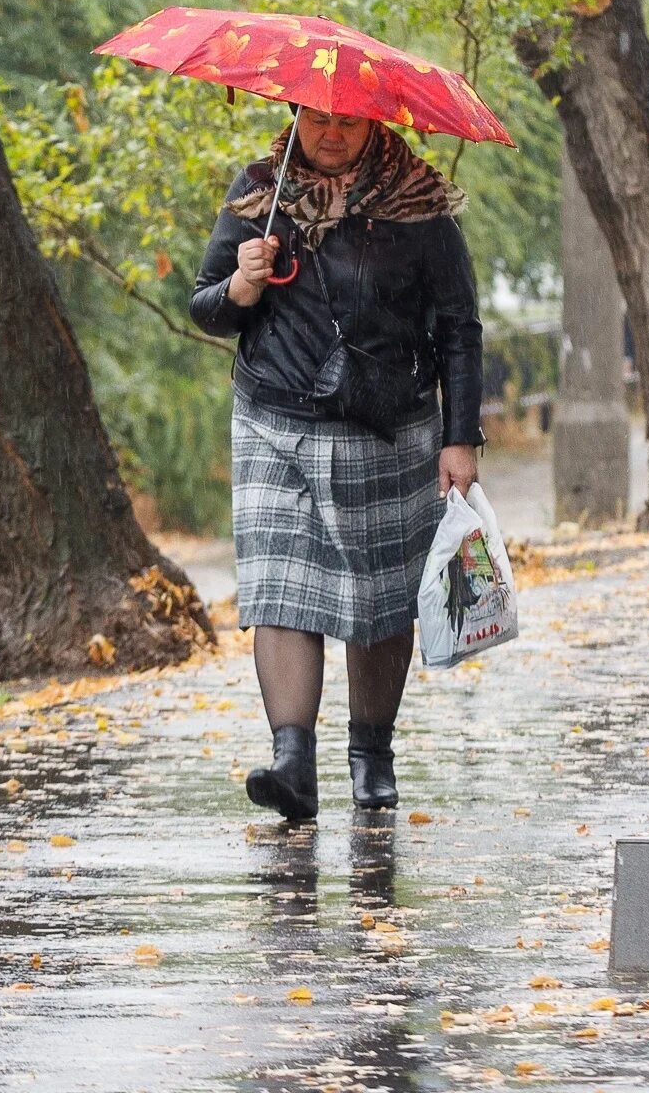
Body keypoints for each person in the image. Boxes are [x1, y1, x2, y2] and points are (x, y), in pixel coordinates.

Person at [189, 105, 484, 818]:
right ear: (295, 113)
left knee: (378, 599)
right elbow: (206, 309)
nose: (332, 133)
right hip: (272, 418)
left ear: (375, 125)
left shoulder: (419, 204)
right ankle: (292, 762)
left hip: (385, 425)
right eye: (319, 118)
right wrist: (241, 285)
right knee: (280, 588)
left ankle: (371, 752)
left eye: (349, 122)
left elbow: (459, 328)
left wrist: (460, 436)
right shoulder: (263, 190)